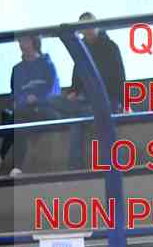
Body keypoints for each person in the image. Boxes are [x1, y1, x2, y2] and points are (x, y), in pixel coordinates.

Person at [49, 12, 125, 169]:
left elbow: (120, 78)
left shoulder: (110, 47)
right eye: (83, 27)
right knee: (52, 101)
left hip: (107, 99)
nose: (88, 30)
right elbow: (76, 80)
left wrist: (124, 104)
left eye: (90, 25)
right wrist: (73, 93)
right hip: (84, 100)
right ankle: (82, 112)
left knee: (77, 119)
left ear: (97, 26)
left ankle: (74, 167)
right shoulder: (80, 49)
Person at [0, 35, 60, 175]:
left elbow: (53, 93)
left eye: (25, 40)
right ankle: (17, 168)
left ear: (34, 42)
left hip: (44, 111)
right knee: (18, 119)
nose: (21, 44)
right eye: (19, 41)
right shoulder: (17, 69)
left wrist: (37, 99)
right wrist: (24, 100)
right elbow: (14, 94)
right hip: (23, 112)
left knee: (16, 118)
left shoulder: (48, 65)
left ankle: (1, 155)